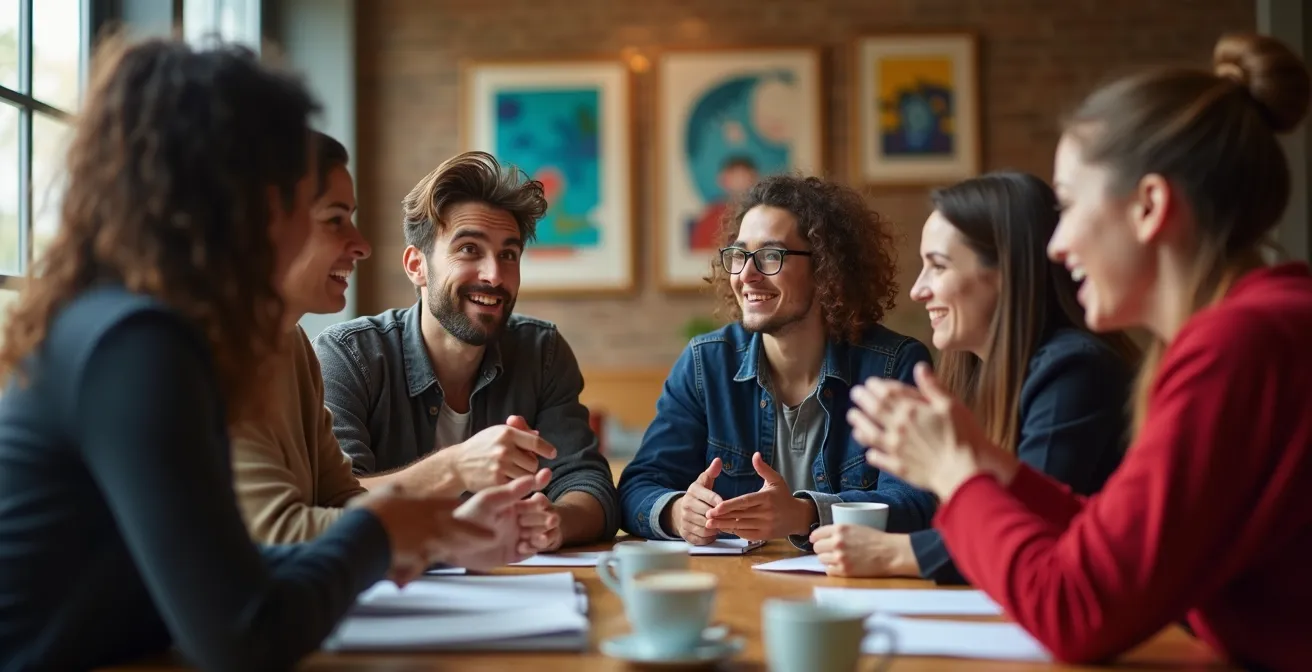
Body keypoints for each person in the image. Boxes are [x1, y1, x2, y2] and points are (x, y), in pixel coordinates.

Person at [0, 36, 538, 671]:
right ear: (243, 201)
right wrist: (388, 529)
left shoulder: (139, 330)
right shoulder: (137, 345)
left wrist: (428, 533)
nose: (351, 239)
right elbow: (243, 636)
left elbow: (227, 573)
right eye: (303, 195)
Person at [850, 33, 1312, 670]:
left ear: (1149, 206)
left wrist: (956, 477)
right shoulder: (1255, 327)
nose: (1057, 245)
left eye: (1067, 205)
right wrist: (990, 465)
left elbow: (1076, 610)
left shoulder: (1238, 345)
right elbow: (1113, 538)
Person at [810, 172, 1137, 580]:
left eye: (938, 267)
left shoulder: (1075, 371)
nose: (918, 290)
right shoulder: (978, 373)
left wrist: (896, 553)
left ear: (1006, 273)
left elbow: (1026, 529)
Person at [314, 151, 619, 553]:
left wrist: (554, 522)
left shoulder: (542, 351)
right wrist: (455, 467)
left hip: (516, 589)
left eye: (508, 254)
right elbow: (335, 501)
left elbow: (588, 483)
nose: (494, 274)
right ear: (416, 265)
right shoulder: (347, 356)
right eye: (470, 250)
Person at [618, 174, 935, 548]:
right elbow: (636, 487)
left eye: (771, 255)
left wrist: (806, 514)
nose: (747, 275)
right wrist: (676, 512)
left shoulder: (892, 367)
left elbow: (917, 503)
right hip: (735, 591)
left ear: (826, 268)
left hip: (853, 588)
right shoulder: (706, 364)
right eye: (739, 255)